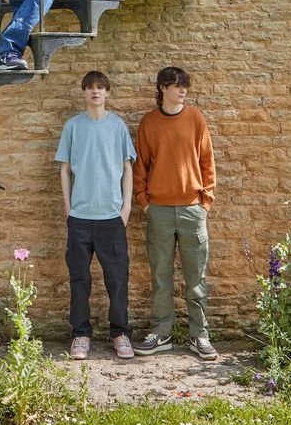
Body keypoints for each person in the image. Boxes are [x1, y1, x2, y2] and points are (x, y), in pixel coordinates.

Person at [132, 66, 217, 360]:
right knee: (160, 276)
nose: (182, 90)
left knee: (196, 277)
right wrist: (144, 202)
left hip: (193, 209)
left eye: (185, 85)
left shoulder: (196, 119)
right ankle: (161, 334)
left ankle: (200, 336)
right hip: (159, 211)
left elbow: (207, 162)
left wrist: (205, 202)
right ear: (163, 88)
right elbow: (140, 165)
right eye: (176, 85)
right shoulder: (149, 123)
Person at [55, 71, 136, 360]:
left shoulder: (117, 126)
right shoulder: (74, 126)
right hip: (79, 218)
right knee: (79, 279)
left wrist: (125, 208)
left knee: (117, 279)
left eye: (100, 88)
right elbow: (64, 169)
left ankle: (120, 333)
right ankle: (80, 335)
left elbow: (127, 167)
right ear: (84, 93)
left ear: (108, 93)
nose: (95, 92)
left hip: (111, 218)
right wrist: (68, 207)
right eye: (90, 88)